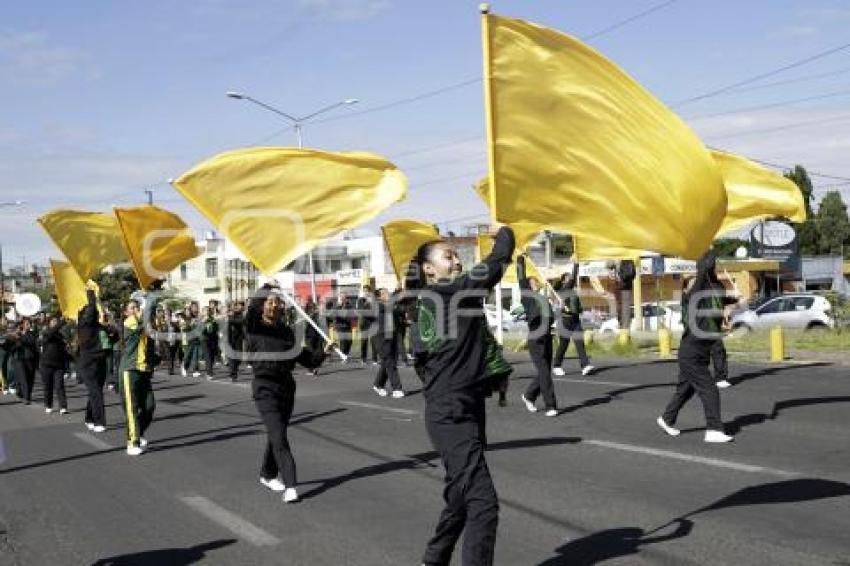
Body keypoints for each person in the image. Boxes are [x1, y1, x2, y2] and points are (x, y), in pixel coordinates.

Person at [408, 225, 515, 566]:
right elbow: (496, 264)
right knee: (484, 503)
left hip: (466, 404)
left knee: (460, 493)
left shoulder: (447, 301)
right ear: (428, 269)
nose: (456, 261)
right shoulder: (441, 295)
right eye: (448, 256)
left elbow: (434, 360)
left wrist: (483, 375)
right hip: (449, 411)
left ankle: (435, 557)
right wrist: (505, 232)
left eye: (456, 256)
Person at [245, 282, 327, 503]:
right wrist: (268, 285)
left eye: (276, 302)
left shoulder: (286, 332)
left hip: (286, 389)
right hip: (264, 388)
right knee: (279, 436)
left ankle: (267, 473)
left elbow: (306, 360)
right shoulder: (254, 326)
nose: (273, 306)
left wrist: (323, 352)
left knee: (276, 435)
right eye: (268, 302)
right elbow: (253, 306)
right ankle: (291, 484)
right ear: (262, 306)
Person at [657, 250, 737, 443]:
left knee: (685, 390)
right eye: (693, 282)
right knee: (709, 390)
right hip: (691, 354)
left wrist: (736, 300)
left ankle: (667, 419)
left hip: (699, 353)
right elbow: (703, 273)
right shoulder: (692, 298)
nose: (698, 282)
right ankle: (714, 429)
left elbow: (717, 293)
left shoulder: (707, 297)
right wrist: (708, 251)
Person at [118, 286, 160, 456]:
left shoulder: (142, 323)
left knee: (150, 406)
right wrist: (148, 298)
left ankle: (138, 431)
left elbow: (150, 318)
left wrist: (151, 296)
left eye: (137, 306)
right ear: (126, 313)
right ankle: (132, 442)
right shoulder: (129, 323)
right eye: (132, 308)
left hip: (143, 370)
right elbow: (145, 318)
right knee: (132, 408)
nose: (136, 309)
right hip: (129, 370)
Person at [516, 254, 558, 417]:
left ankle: (529, 395)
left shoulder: (543, 298)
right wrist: (520, 259)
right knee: (545, 372)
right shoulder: (527, 296)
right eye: (532, 281)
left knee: (545, 371)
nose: (535, 283)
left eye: (535, 281)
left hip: (547, 335)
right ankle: (551, 405)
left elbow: (550, 317)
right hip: (536, 336)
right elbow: (521, 276)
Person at [552, 261, 595, 377]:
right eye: (569, 278)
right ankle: (556, 366)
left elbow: (577, 307)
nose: (571, 279)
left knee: (579, 343)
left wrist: (579, 310)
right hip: (564, 321)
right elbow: (573, 278)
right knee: (563, 345)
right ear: (564, 281)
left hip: (575, 320)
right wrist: (576, 265)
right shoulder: (563, 290)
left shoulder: (573, 293)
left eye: (571, 278)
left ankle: (585, 365)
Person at [77, 285, 108, 432]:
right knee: (96, 392)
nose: (93, 314)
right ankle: (99, 422)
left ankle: (89, 417)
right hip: (87, 363)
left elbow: (113, 335)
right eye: (89, 313)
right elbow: (91, 308)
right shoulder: (83, 325)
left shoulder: (99, 326)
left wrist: (112, 330)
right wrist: (91, 293)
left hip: (101, 362)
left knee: (95, 392)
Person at [371, 288, 405, 398]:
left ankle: (378, 384)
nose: (388, 294)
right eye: (385, 293)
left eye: (388, 292)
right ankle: (397, 388)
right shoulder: (378, 306)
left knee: (388, 362)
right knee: (390, 362)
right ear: (379, 297)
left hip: (392, 337)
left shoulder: (391, 306)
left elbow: (400, 310)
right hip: (381, 338)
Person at [40, 315, 70, 414]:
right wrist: (61, 323)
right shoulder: (46, 332)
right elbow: (50, 333)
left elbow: (63, 351)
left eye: (56, 321)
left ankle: (63, 407)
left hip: (59, 366)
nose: (55, 323)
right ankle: (48, 405)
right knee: (48, 386)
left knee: (59, 386)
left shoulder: (60, 335)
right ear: (49, 323)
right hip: (46, 365)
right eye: (53, 321)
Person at [9, 318, 39, 404]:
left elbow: (30, 341)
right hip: (19, 359)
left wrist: (20, 337)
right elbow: (10, 346)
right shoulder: (16, 334)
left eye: (29, 324)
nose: (29, 325)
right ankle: (27, 398)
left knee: (30, 379)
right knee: (23, 378)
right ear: (22, 325)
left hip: (30, 359)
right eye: (27, 324)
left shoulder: (32, 334)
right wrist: (13, 338)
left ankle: (23, 393)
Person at [328, 293, 354, 362]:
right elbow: (331, 315)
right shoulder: (337, 306)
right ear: (340, 298)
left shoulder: (349, 306)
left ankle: (345, 354)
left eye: (344, 297)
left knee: (350, 341)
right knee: (343, 341)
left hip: (348, 326)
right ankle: (343, 356)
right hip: (340, 326)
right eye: (341, 297)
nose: (343, 298)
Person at [356, 291, 378, 366]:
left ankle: (375, 359)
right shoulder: (361, 302)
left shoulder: (374, 303)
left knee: (374, 342)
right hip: (364, 324)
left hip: (372, 324)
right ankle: (363, 359)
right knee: (364, 342)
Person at [226, 301, 245, 382]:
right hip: (229, 339)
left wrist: (230, 318)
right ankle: (233, 374)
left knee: (239, 358)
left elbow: (240, 321)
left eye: (237, 306)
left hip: (239, 339)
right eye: (234, 306)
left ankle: (233, 370)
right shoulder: (228, 314)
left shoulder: (240, 315)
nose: (236, 307)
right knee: (232, 357)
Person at [181, 303, 201, 378]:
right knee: (187, 355)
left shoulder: (194, 317)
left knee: (195, 355)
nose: (188, 312)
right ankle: (184, 367)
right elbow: (183, 328)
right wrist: (190, 325)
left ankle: (195, 370)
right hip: (186, 339)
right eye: (186, 311)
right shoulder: (183, 318)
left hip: (195, 338)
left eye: (189, 311)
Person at [201, 306, 219, 379]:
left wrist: (215, 323)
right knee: (207, 356)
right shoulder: (200, 320)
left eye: (208, 310)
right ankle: (209, 373)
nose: (207, 312)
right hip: (204, 339)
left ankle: (209, 370)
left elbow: (216, 328)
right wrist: (203, 322)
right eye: (205, 311)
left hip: (212, 339)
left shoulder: (212, 319)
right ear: (203, 312)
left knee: (211, 356)